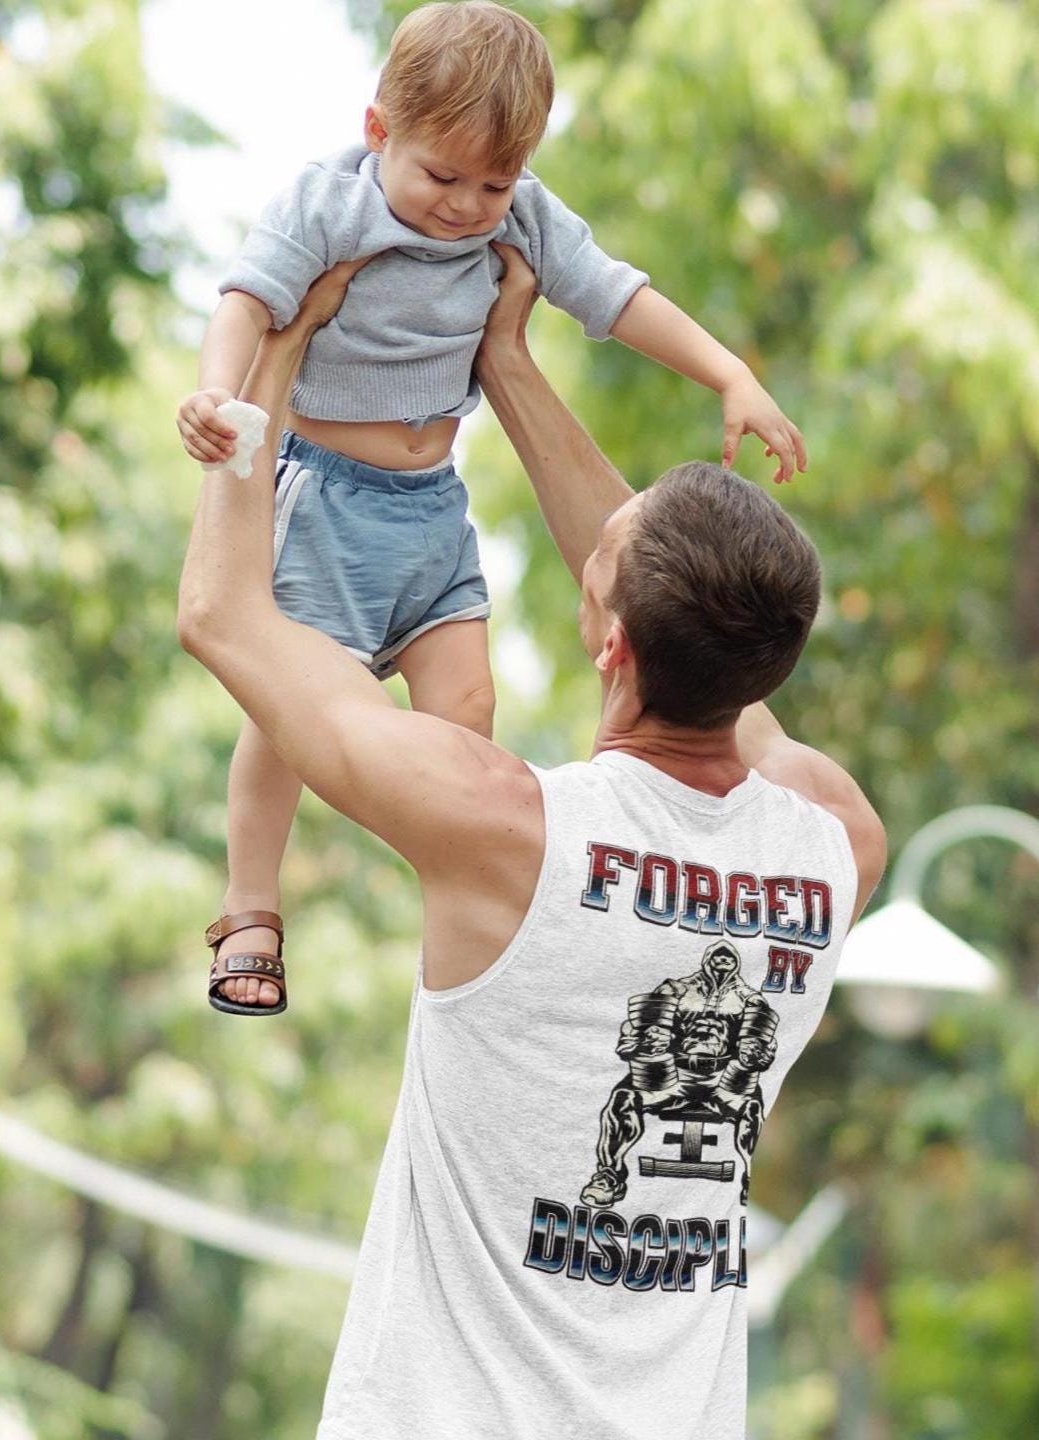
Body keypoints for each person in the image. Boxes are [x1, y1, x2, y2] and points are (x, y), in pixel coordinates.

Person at [177, 248, 884, 1440]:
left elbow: (221, 613)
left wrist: (281, 356)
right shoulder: (834, 848)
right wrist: (503, 359)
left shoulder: (506, 829)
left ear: (611, 645)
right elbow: (703, 645)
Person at [174, 1, 806, 1009]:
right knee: (290, 702)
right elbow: (246, 301)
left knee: (470, 707)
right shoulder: (328, 201)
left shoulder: (520, 215)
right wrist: (216, 395)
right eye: (442, 176)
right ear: (380, 129)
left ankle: (467, 911)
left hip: (433, 506)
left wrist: (729, 373)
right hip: (329, 500)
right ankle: (250, 903)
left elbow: (613, 294)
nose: (467, 206)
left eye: (495, 183)